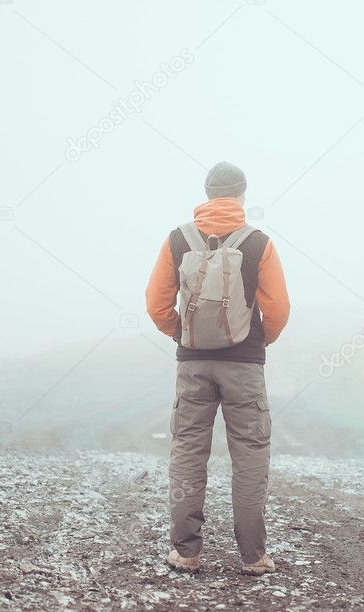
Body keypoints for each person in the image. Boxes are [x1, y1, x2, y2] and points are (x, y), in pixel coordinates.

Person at [145, 162, 290, 575]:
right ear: (242, 195)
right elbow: (278, 309)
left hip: (193, 362)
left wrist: (182, 334)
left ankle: (186, 552)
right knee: (250, 454)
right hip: (244, 364)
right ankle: (253, 556)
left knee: (189, 449)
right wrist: (258, 340)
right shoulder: (258, 243)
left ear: (207, 194)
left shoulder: (178, 240)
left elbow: (156, 303)